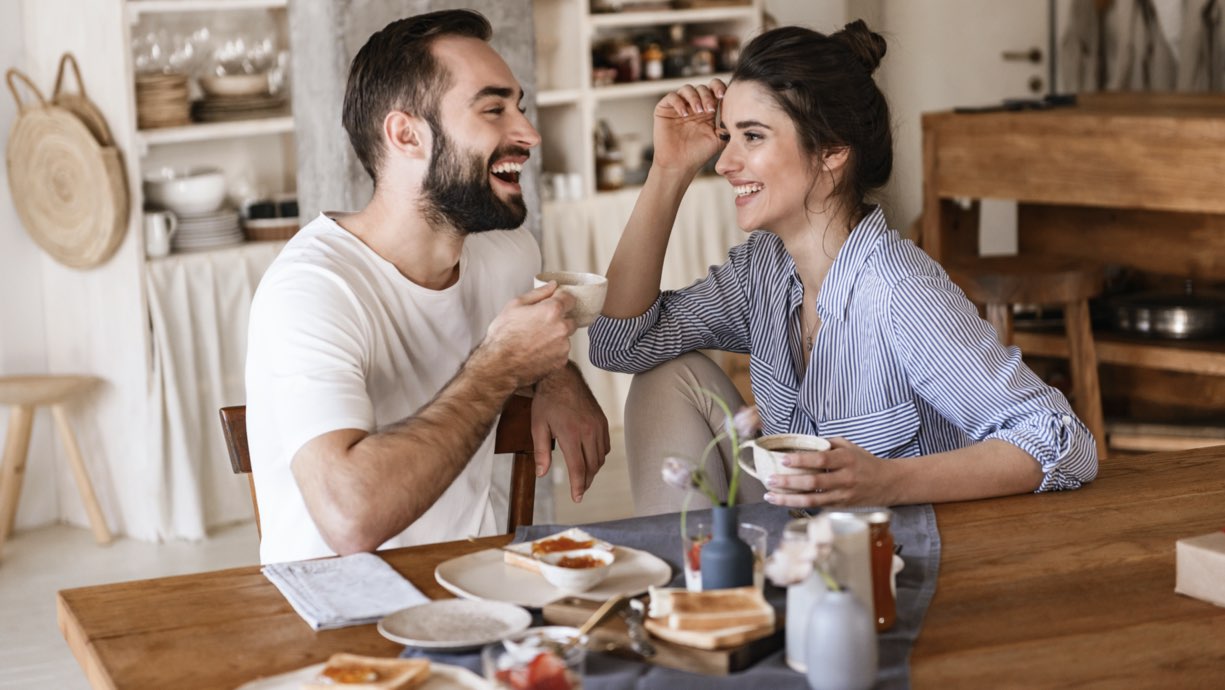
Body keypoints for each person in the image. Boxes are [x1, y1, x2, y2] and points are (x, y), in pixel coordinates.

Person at [588, 21, 1098, 516]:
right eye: (727, 135)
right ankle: (698, 600)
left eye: (753, 136)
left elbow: (1063, 441)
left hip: (904, 558)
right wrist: (668, 169)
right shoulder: (762, 272)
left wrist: (887, 482)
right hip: (803, 545)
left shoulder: (899, 292)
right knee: (665, 376)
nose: (724, 163)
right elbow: (618, 344)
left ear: (831, 151)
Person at [246, 9, 609, 564]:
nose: (529, 134)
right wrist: (501, 367)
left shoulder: (510, 254)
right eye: (493, 109)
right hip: (338, 612)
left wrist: (558, 377)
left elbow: (528, 349)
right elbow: (350, 517)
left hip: (471, 586)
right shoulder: (312, 289)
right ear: (406, 134)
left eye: (520, 108)